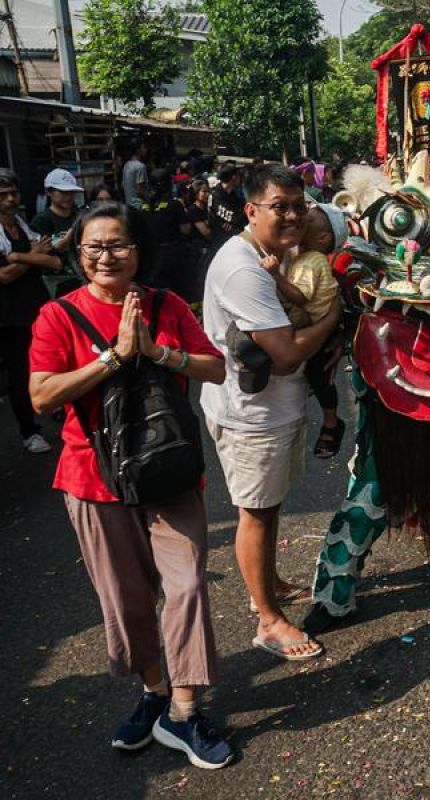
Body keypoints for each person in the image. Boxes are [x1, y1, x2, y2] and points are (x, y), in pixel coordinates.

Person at [27, 201, 233, 768]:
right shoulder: (58, 317)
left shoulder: (166, 305)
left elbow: (214, 367)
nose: (105, 257)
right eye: (93, 247)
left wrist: (156, 351)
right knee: (128, 600)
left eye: (118, 244)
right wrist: (115, 358)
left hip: (169, 469)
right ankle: (155, 693)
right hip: (93, 479)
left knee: (187, 584)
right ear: (78, 253)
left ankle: (185, 713)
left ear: (139, 249)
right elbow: (42, 394)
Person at [201, 164, 342, 661]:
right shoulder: (244, 268)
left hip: (273, 409)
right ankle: (268, 620)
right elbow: (285, 353)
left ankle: (272, 582)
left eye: (298, 206)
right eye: (278, 206)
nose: (291, 216)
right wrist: (331, 318)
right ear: (250, 210)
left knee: (269, 504)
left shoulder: (272, 258)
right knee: (256, 514)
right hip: (251, 416)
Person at [257, 203, 347, 459]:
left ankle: (331, 421)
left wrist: (275, 275)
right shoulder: (300, 254)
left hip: (314, 322)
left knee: (321, 375)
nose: (301, 219)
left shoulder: (313, 260)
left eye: (309, 220)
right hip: (309, 318)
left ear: (323, 238)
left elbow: (299, 296)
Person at [0, 169, 59, 453]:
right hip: (9, 315)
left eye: (13, 193)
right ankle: (29, 430)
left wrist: (19, 257)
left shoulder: (21, 224)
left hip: (37, 305)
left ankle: (54, 404)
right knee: (20, 371)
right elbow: (4, 277)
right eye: (3, 195)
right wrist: (34, 257)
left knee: (50, 360)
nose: (10, 199)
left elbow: (51, 258)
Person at [30, 168, 85, 298]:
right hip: (54, 282)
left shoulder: (80, 216)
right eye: (63, 192)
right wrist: (62, 244)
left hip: (80, 278)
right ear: (49, 192)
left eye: (71, 192)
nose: (69, 197)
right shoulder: (42, 220)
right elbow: (38, 256)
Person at [142, 168, 191, 297]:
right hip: (172, 255)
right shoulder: (175, 205)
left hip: (151, 255)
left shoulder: (143, 206)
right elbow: (186, 229)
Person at [208, 163, 246, 252]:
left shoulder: (233, 195)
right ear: (233, 177)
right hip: (219, 242)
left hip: (235, 238)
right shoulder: (216, 195)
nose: (240, 178)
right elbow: (232, 218)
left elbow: (243, 213)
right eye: (238, 175)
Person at [121, 140, 150, 210]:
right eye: (144, 148)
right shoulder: (140, 166)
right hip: (139, 206)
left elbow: (123, 185)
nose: (146, 150)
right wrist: (149, 199)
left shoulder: (126, 165)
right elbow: (140, 189)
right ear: (138, 150)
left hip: (128, 205)